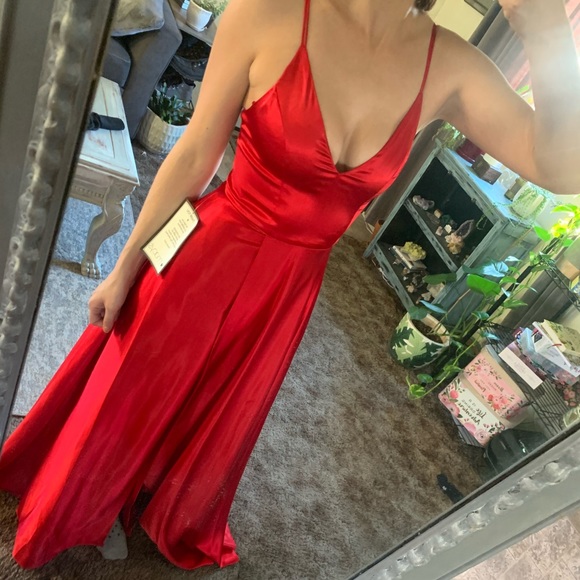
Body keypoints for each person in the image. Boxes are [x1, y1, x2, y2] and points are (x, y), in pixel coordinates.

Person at [0, 0, 579, 571]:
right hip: (207, 253)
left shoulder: (451, 65)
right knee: (137, 385)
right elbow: (196, 153)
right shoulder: (268, 12)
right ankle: (91, 497)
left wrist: (548, 30)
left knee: (217, 403)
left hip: (289, 291)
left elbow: (563, 168)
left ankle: (145, 490)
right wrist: (126, 266)